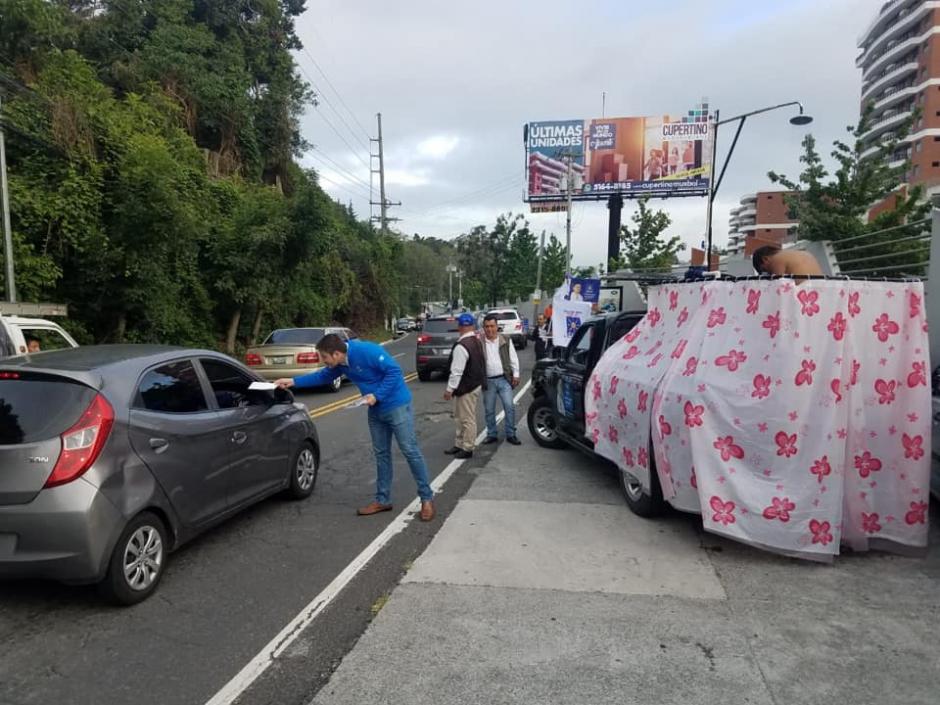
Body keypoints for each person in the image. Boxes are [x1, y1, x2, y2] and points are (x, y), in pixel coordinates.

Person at [275, 334, 435, 521]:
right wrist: (293, 382)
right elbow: (324, 376)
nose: (324, 362)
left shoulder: (366, 351)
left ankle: (426, 499)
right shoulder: (340, 363)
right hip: (375, 411)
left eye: (325, 358)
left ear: (336, 354)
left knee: (410, 450)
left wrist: (377, 395)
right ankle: (383, 500)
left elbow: (394, 372)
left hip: (397, 405)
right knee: (381, 454)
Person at [443, 313, 485, 459]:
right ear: (472, 326)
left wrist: (449, 389)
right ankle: (459, 444)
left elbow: (456, 371)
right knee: (460, 417)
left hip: (466, 386)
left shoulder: (462, 346)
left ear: (460, 327)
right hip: (473, 384)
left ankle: (467, 448)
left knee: (466, 418)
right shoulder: (475, 341)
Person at [481, 314, 521, 446]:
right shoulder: (479, 342)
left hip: (504, 379)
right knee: (489, 410)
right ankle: (492, 434)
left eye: (492, 326)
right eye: (486, 326)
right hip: (488, 381)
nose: (489, 329)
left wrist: (516, 374)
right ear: (483, 328)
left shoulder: (505, 340)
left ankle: (511, 434)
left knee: (509, 406)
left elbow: (513, 358)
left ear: (497, 326)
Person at [752, 245, 823, 279]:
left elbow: (778, 284)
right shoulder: (800, 253)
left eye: (765, 270)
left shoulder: (776, 260)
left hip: (804, 293)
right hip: (821, 289)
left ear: (765, 259)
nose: (769, 273)